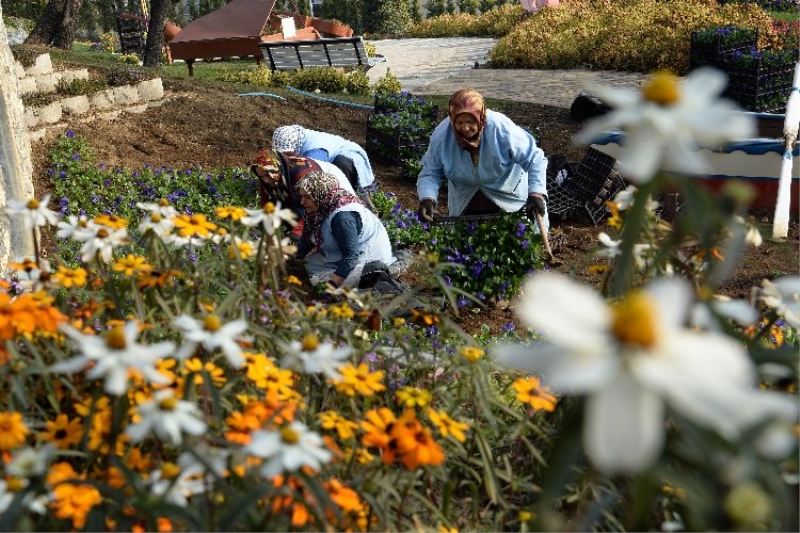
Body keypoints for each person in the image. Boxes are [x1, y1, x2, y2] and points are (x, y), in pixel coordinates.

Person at [416, 88, 549, 227]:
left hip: (509, 199)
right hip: (466, 202)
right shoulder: (442, 136)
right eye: (459, 122)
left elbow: (535, 159)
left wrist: (536, 193)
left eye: (470, 122)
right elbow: (430, 172)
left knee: (523, 242)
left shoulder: (500, 129)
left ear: (480, 117)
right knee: (467, 244)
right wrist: (427, 198)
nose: (465, 128)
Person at [293, 171, 405, 290]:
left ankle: (377, 271)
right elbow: (307, 239)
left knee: (334, 283)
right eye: (302, 196)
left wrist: (332, 285)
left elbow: (351, 255)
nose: (302, 202)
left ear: (320, 195)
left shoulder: (342, 218)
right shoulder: (318, 209)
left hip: (366, 253)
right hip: (344, 250)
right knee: (311, 263)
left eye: (307, 197)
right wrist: (287, 255)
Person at [250, 149, 355, 238]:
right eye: (262, 177)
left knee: (322, 224)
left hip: (327, 186)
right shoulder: (271, 175)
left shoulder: (302, 175)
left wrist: (296, 234)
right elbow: (267, 204)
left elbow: (317, 207)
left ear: (276, 168)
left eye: (267, 175)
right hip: (301, 189)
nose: (266, 180)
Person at [272, 125, 376, 191]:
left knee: (342, 164)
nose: (285, 156)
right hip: (331, 160)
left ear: (294, 146)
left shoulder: (315, 151)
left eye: (287, 153)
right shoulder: (294, 139)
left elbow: (310, 175)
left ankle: (348, 192)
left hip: (351, 157)